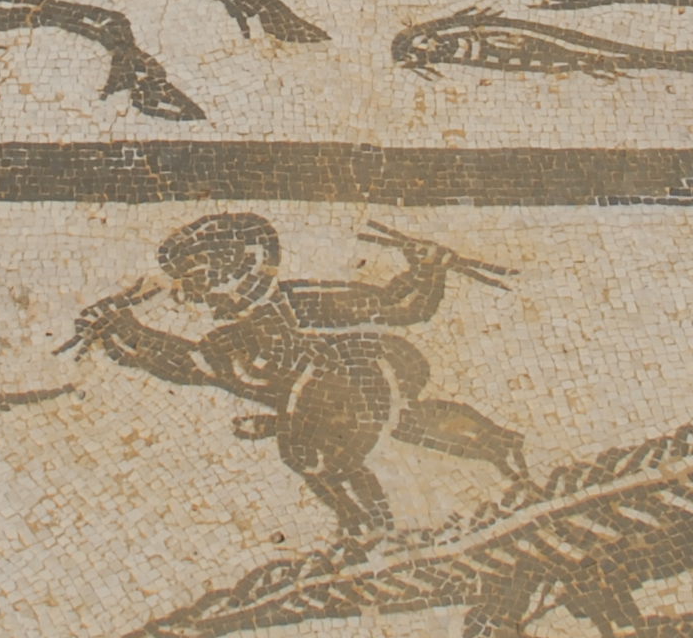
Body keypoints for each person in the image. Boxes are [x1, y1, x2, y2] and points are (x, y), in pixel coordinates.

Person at [71, 212, 529, 534]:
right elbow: (184, 363)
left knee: (337, 438)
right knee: (326, 447)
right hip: (319, 407)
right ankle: (366, 527)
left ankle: (504, 460)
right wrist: (122, 329)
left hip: (366, 372)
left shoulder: (300, 303)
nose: (183, 292)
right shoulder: (231, 342)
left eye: (196, 277)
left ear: (238, 269)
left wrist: (427, 268)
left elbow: (399, 307)